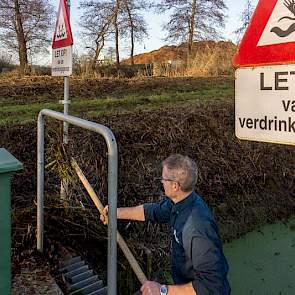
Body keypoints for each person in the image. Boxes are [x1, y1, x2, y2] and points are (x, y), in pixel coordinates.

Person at [101, 154, 230, 295]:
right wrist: (115, 213)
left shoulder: (196, 227)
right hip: (183, 285)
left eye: (163, 179)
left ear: (175, 186)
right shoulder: (179, 202)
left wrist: (162, 290)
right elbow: (153, 212)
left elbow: (211, 286)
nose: (161, 181)